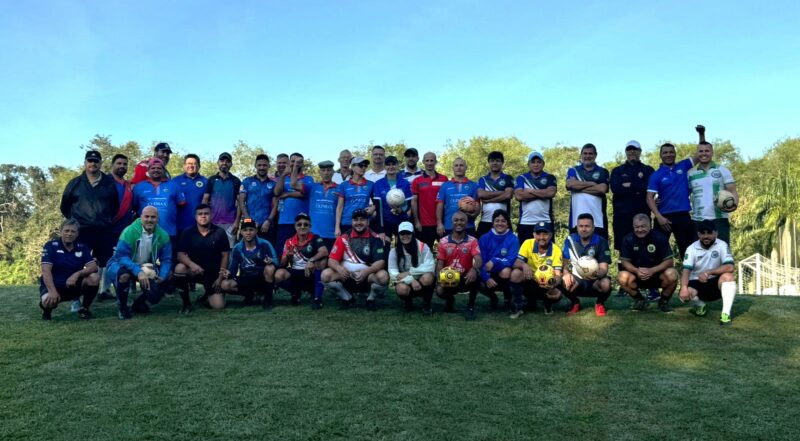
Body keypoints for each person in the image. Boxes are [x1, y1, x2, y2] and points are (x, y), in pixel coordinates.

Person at [60, 150, 119, 311]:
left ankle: (108, 293)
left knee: (107, 262)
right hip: (82, 232)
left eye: (96, 161)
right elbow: (65, 207)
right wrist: (78, 222)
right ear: (85, 163)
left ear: (100, 163)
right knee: (77, 264)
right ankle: (75, 299)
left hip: (103, 231)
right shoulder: (75, 183)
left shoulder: (109, 183)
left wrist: (103, 220)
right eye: (89, 161)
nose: (93, 164)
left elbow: (115, 206)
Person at [105, 206, 172, 319]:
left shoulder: (163, 235)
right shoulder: (129, 232)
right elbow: (121, 256)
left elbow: (167, 259)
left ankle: (138, 304)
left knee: (165, 280)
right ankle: (122, 308)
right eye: (146, 216)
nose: (149, 220)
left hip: (145, 266)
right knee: (124, 276)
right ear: (141, 217)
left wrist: (162, 275)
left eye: (153, 217)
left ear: (158, 219)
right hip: (121, 264)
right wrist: (138, 271)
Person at [322, 209, 389, 311]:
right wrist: (339, 268)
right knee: (325, 275)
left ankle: (370, 300)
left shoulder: (375, 238)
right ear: (352, 222)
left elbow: (381, 262)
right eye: (356, 220)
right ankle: (347, 299)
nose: (358, 223)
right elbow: (331, 260)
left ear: (368, 222)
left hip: (367, 277)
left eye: (362, 219)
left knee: (383, 277)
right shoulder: (343, 238)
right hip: (346, 276)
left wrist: (366, 272)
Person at [173, 204, 231, 313]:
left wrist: (220, 278)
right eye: (200, 214)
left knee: (218, 306)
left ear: (211, 215)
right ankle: (186, 304)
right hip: (195, 271)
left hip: (213, 274)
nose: (203, 216)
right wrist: (191, 264)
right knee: (179, 268)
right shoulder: (187, 232)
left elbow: (225, 255)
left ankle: (206, 296)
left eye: (206, 214)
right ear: (195, 217)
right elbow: (180, 254)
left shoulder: (220, 232)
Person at [39, 219, 100, 320]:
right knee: (48, 302)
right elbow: (46, 271)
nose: (69, 234)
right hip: (55, 285)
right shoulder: (50, 246)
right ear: (61, 231)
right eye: (66, 231)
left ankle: (85, 309)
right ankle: (46, 311)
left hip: (73, 285)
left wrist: (77, 274)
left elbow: (93, 267)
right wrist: (52, 291)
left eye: (73, 231)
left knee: (94, 278)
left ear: (77, 234)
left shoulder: (82, 247)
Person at [679, 220, 737, 326]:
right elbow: (686, 271)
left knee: (728, 277)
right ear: (698, 234)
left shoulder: (722, 245)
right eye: (703, 233)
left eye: (709, 233)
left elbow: (730, 266)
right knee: (685, 292)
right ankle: (700, 305)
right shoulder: (691, 248)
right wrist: (683, 288)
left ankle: (725, 314)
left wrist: (708, 272)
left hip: (715, 283)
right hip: (697, 282)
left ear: (716, 233)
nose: (706, 236)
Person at [617, 213, 678, 313]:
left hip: (657, 275)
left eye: (643, 226)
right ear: (633, 226)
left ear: (650, 225)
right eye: (637, 227)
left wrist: (652, 270)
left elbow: (669, 261)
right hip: (637, 276)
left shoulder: (660, 237)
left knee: (672, 274)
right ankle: (640, 300)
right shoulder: (627, 239)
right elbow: (625, 262)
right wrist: (636, 271)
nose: (640, 230)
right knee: (621, 276)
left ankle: (663, 301)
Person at [646, 142, 696, 257]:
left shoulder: (683, 165)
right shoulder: (656, 175)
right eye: (665, 152)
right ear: (660, 155)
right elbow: (649, 198)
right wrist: (659, 217)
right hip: (664, 217)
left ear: (675, 154)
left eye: (671, 152)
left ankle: (689, 275)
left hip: (683, 215)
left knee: (688, 252)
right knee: (657, 252)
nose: (668, 155)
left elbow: (700, 155)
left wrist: (701, 134)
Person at [509, 222, 565, 318]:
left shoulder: (556, 250)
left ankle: (547, 304)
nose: (541, 237)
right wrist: (524, 265)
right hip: (531, 280)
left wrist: (552, 283)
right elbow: (515, 263)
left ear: (551, 235)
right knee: (515, 274)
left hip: (546, 284)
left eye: (545, 234)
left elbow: (558, 274)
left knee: (557, 293)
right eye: (538, 234)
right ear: (534, 234)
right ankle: (518, 306)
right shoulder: (527, 243)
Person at [274, 213, 329, 309]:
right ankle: (295, 293)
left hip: (310, 273)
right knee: (278, 274)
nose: (302, 227)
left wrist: (311, 260)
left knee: (321, 263)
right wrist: (287, 256)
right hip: (295, 273)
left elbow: (324, 252)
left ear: (310, 226)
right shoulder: (289, 241)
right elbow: (282, 264)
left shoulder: (315, 238)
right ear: (295, 227)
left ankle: (317, 298)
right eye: (299, 224)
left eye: (305, 224)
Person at [561, 213, 612, 316]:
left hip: (594, 280)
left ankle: (599, 303)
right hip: (577, 279)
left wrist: (595, 273)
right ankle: (575, 303)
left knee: (606, 284)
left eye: (587, 226)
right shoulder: (570, 240)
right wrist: (566, 273)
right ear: (577, 227)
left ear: (593, 228)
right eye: (581, 226)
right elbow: (565, 261)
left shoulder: (601, 241)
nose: (583, 229)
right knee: (562, 280)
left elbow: (604, 268)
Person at [98, 153, 134, 301]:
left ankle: (112, 288)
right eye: (119, 163)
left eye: (124, 164)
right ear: (112, 165)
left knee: (118, 258)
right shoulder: (104, 181)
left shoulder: (127, 185)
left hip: (123, 228)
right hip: (106, 226)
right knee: (103, 258)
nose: (122, 166)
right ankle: (101, 289)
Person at [220, 218, 278, 309]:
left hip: (261, 278)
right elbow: (233, 269)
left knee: (270, 268)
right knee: (225, 284)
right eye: (245, 230)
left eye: (251, 230)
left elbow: (276, 261)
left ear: (256, 231)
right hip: (245, 277)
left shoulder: (265, 244)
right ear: (241, 232)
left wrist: (271, 261)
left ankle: (268, 299)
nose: (248, 232)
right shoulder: (237, 248)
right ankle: (249, 295)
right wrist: (228, 274)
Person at [688, 141, 738, 244]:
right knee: (699, 255)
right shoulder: (691, 174)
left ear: (712, 153)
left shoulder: (722, 170)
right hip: (698, 220)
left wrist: (734, 205)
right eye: (701, 151)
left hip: (719, 219)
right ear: (697, 154)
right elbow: (683, 194)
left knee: (722, 254)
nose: (704, 153)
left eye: (707, 151)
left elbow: (732, 191)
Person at [436, 211, 483, 320]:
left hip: (465, 277)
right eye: (456, 220)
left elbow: (479, 259)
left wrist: (474, 269)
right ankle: (449, 301)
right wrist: (439, 280)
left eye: (462, 220)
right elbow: (440, 263)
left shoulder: (472, 241)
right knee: (439, 291)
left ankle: (470, 307)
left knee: (476, 276)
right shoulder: (443, 242)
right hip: (449, 277)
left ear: (466, 223)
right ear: (451, 222)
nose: (459, 223)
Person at [131, 158, 186, 251]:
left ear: (163, 170)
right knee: (146, 262)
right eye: (153, 168)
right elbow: (134, 207)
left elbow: (181, 204)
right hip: (146, 232)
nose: (156, 170)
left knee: (168, 261)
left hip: (169, 232)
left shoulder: (174, 185)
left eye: (159, 168)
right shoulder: (139, 187)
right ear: (148, 170)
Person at [610, 140, 654, 250]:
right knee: (623, 248)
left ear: (640, 151)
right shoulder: (617, 171)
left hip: (642, 216)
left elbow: (649, 189)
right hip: (622, 217)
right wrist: (638, 187)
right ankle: (623, 268)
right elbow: (616, 189)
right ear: (626, 152)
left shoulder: (648, 170)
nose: (632, 151)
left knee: (644, 247)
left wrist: (630, 184)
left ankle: (645, 268)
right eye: (629, 149)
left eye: (635, 149)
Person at [388, 222, 435, 314]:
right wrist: (410, 279)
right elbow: (393, 273)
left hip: (420, 279)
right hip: (405, 281)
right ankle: (408, 302)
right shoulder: (394, 251)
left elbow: (430, 266)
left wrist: (410, 272)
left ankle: (427, 303)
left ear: (413, 234)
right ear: (398, 235)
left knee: (428, 277)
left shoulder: (423, 246)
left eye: (408, 233)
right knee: (401, 289)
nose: (405, 236)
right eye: (402, 233)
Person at [478, 210, 519, 311]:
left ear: (508, 223)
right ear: (493, 223)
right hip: (488, 272)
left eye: (503, 221)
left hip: (502, 272)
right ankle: (493, 298)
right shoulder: (484, 238)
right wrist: (486, 277)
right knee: (476, 278)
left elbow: (511, 259)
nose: (500, 223)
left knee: (506, 271)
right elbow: (481, 261)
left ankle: (507, 299)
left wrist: (495, 261)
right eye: (497, 221)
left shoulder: (513, 239)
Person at [566, 143, 610, 239]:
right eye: (585, 153)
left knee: (599, 252)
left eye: (590, 154)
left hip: (598, 222)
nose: (587, 156)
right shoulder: (573, 170)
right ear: (581, 155)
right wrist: (592, 184)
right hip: (576, 222)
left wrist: (578, 187)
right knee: (576, 252)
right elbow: (570, 184)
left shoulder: (603, 171)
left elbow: (602, 189)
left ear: (595, 155)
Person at [274, 153, 314, 257]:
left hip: (302, 223)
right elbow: (277, 192)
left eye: (298, 162)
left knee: (303, 254)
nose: (295, 164)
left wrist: (287, 194)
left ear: (302, 164)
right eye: (292, 161)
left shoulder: (308, 178)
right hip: (284, 221)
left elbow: (304, 193)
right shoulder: (284, 178)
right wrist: (282, 175)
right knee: (282, 253)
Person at [514, 151, 557, 244]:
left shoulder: (549, 177)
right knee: (524, 254)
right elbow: (519, 195)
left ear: (543, 164)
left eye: (539, 162)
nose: (536, 164)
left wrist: (531, 191)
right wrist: (542, 193)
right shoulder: (521, 178)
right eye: (533, 162)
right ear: (528, 164)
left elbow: (551, 193)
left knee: (547, 253)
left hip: (546, 221)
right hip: (525, 222)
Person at [296, 160, 338, 251]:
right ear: (319, 172)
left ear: (333, 172)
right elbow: (293, 184)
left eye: (329, 170)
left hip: (332, 234)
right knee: (313, 262)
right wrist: (295, 166)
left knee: (329, 262)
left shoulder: (339, 188)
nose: (326, 173)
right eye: (323, 170)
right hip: (313, 234)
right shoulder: (312, 187)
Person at [202, 152, 241, 247]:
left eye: (227, 161)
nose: (224, 163)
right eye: (222, 160)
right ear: (218, 163)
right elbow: (205, 200)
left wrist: (237, 222)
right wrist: (205, 220)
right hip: (213, 222)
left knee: (230, 250)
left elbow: (240, 203)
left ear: (231, 164)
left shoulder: (236, 181)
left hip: (230, 223)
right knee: (212, 250)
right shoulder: (211, 179)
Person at [411, 152, 448, 249]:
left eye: (432, 160)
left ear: (436, 162)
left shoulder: (444, 179)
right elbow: (414, 201)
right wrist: (416, 221)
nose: (429, 163)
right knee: (424, 254)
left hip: (442, 223)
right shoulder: (417, 181)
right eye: (427, 160)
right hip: (424, 224)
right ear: (423, 162)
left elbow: (447, 200)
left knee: (445, 252)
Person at [373, 155, 413, 243]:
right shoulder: (378, 184)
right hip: (386, 223)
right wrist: (380, 230)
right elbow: (378, 208)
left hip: (402, 222)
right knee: (385, 249)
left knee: (402, 250)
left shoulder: (405, 183)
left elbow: (408, 204)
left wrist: (400, 211)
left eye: (393, 164)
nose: (391, 167)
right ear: (384, 167)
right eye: (388, 164)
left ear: (398, 166)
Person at [436, 157, 479, 237]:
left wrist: (473, 214)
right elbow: (440, 205)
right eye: (456, 165)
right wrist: (439, 223)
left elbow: (477, 206)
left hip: (468, 226)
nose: (459, 167)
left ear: (466, 167)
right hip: (449, 226)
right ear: (453, 168)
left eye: (461, 165)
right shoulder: (445, 185)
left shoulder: (474, 185)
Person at [240, 154, 278, 243]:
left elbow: (276, 204)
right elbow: (241, 201)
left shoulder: (273, 184)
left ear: (269, 166)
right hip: (249, 226)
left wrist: (268, 221)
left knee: (267, 254)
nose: (262, 168)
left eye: (264, 165)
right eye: (259, 165)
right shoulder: (247, 181)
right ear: (255, 166)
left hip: (266, 226)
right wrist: (248, 220)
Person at [476, 151, 515, 237]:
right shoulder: (483, 179)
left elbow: (508, 195)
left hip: (503, 221)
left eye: (497, 161)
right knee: (481, 248)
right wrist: (501, 192)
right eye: (492, 161)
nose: (495, 163)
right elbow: (481, 194)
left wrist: (489, 199)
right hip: (485, 221)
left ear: (502, 163)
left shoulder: (508, 178)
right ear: (489, 163)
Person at [335, 156, 375, 236]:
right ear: (353, 167)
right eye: (360, 165)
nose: (363, 168)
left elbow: (377, 203)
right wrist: (337, 227)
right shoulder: (344, 185)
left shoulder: (370, 184)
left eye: (365, 166)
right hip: (347, 223)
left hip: (363, 223)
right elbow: (339, 207)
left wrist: (373, 208)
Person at [173, 154, 208, 238]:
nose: (191, 166)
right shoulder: (175, 181)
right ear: (184, 166)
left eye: (194, 164)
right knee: (180, 251)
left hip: (199, 227)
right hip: (180, 226)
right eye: (188, 163)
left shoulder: (206, 182)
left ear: (199, 166)